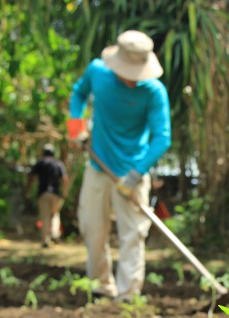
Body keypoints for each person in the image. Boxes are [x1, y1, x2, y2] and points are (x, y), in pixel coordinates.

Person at [68, 30, 172, 301]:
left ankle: (127, 294)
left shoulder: (153, 92)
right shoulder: (98, 73)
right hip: (98, 167)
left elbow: (162, 138)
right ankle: (101, 286)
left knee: (133, 234)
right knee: (93, 229)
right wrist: (75, 128)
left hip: (133, 171)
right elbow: (78, 95)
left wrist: (136, 173)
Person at [26, 143, 69, 247]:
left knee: (44, 216)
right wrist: (65, 193)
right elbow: (65, 179)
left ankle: (45, 240)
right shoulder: (58, 164)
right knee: (54, 214)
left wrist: (27, 190)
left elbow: (31, 177)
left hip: (43, 193)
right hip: (55, 194)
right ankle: (54, 233)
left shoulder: (39, 163)